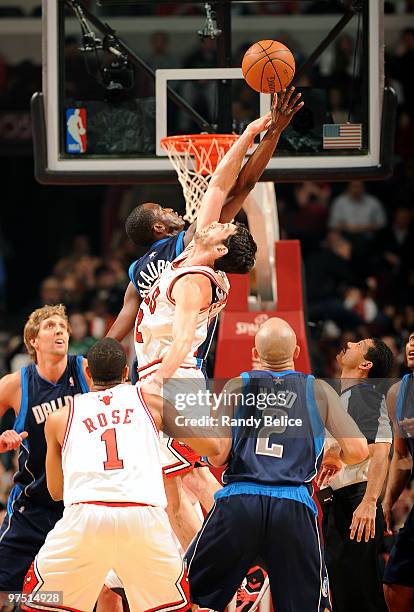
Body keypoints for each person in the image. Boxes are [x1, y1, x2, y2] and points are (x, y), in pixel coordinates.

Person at [21, 338, 221, 612]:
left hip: (85, 519)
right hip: (144, 519)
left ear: (87, 373)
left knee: (37, 601)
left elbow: (57, 491)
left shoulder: (60, 417)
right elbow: (213, 448)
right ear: (127, 372)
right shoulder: (152, 403)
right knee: (171, 607)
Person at [185, 317, 369, 611]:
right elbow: (359, 449)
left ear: (255, 354)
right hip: (293, 505)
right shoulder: (318, 390)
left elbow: (218, 456)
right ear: (297, 352)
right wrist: (335, 454)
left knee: (190, 598)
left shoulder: (236, 385)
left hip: (239, 503)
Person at [0, 304, 90, 592]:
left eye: (62, 326)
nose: (60, 330)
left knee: (85, 592)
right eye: (50, 326)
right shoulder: (15, 385)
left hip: (80, 503)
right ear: (34, 341)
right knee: (4, 588)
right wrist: (2, 441)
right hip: (33, 503)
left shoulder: (87, 372)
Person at [317, 338, 393, 612]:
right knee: (346, 594)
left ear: (365, 365)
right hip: (341, 503)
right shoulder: (345, 397)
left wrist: (370, 502)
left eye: (359, 344)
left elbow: (381, 450)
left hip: (356, 503)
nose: (348, 342)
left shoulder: (364, 393)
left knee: (360, 596)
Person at [382, 330, 414, 611]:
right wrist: (387, 500)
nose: (413, 345)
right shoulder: (399, 392)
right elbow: (402, 457)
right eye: (411, 339)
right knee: (395, 584)